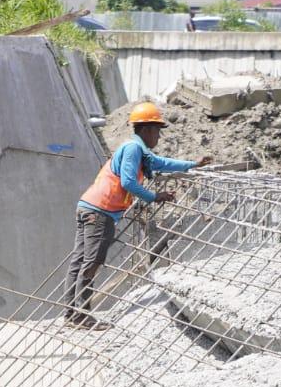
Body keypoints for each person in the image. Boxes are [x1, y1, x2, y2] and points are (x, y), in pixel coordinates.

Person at [66, 101, 210, 328]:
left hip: (88, 206)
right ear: (146, 129)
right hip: (100, 212)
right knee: (92, 261)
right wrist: (154, 196)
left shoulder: (138, 150)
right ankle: (81, 315)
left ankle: (71, 313)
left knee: (79, 260)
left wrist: (193, 164)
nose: (159, 138)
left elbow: (162, 163)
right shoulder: (133, 148)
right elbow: (128, 181)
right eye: (157, 131)